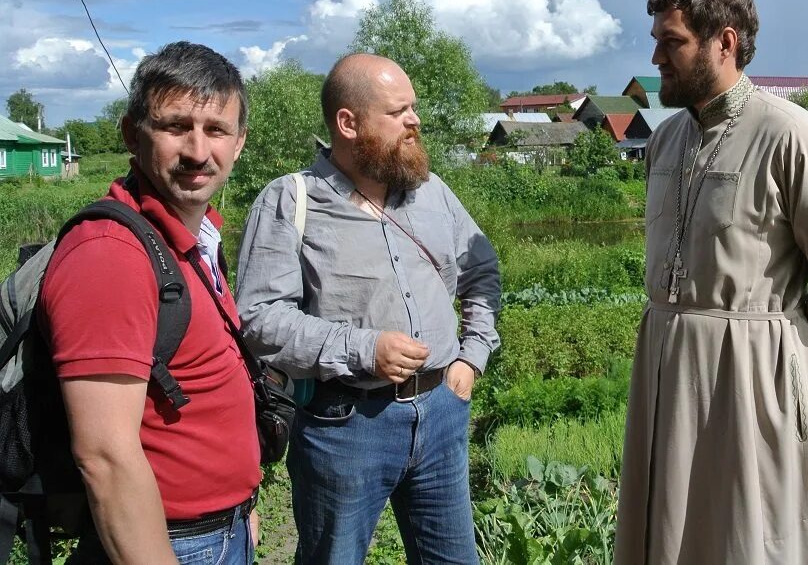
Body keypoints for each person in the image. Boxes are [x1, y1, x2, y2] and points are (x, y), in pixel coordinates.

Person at [614, 0, 808, 564]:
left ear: (724, 42)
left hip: (752, 380)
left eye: (672, 41)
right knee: (670, 534)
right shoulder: (666, 141)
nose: (656, 56)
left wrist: (774, 339)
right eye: (656, 39)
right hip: (663, 370)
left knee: (751, 538)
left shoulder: (795, 139)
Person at [235, 52, 501, 564]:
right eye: (398, 111)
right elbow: (260, 318)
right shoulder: (290, 202)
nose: (415, 120)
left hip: (442, 414)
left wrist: (473, 354)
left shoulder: (431, 191)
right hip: (345, 427)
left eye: (413, 108)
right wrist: (362, 349)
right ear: (348, 123)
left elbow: (480, 269)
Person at [39, 42, 260, 564]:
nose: (198, 151)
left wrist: (239, 502)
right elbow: (105, 457)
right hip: (170, 542)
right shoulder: (110, 255)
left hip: (220, 529)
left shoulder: (192, 235)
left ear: (240, 142)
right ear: (130, 133)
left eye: (216, 130)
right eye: (176, 126)